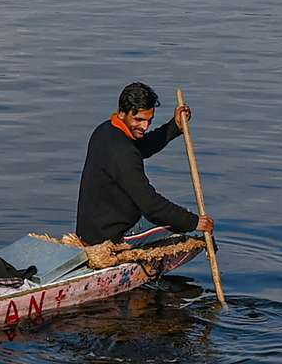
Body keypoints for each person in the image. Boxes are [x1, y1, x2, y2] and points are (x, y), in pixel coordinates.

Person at [75, 82, 215, 246]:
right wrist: (194, 222)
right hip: (111, 236)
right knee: (179, 224)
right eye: (139, 120)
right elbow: (151, 205)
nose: (145, 126)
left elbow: (142, 146)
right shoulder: (123, 152)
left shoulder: (105, 130)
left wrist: (174, 126)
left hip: (90, 230)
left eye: (149, 120)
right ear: (122, 113)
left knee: (177, 217)